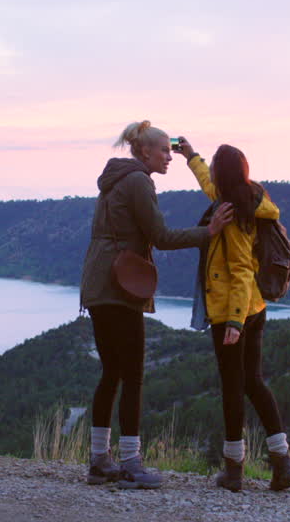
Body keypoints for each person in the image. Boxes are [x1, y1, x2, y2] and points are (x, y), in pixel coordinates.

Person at [79, 121, 234, 489]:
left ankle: (99, 461)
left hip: (98, 283)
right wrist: (208, 233)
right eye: (164, 150)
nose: (168, 157)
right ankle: (131, 463)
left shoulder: (115, 179)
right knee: (132, 375)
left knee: (112, 373)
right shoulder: (138, 181)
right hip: (119, 287)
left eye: (171, 149)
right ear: (144, 152)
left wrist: (186, 150)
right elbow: (161, 237)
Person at [177, 138, 290, 492]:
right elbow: (209, 184)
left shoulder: (231, 217)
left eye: (213, 166)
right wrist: (190, 156)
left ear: (224, 175)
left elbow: (242, 270)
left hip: (233, 312)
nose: (210, 172)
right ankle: (282, 460)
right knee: (253, 382)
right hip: (255, 308)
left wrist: (233, 322)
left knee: (233, 388)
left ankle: (233, 470)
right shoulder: (248, 198)